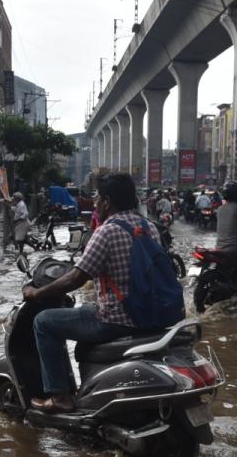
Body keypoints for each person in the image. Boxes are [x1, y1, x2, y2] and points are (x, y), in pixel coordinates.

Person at [20, 173, 156, 413]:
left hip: (118, 319)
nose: (94, 202)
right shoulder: (148, 228)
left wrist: (37, 293)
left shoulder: (106, 231)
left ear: (106, 201)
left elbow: (75, 278)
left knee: (43, 321)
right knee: (84, 315)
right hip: (149, 314)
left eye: (96, 197)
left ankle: (60, 396)